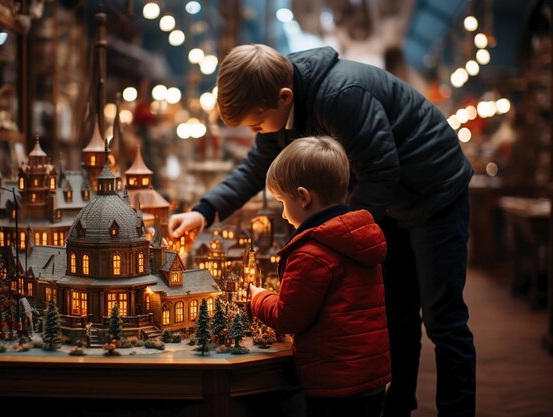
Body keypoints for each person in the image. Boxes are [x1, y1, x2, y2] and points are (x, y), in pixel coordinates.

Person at [168, 43, 476, 417]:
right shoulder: (279, 95)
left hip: (434, 192)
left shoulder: (339, 96)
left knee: (445, 319)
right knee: (397, 313)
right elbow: (256, 167)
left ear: (284, 97)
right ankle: (397, 409)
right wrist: (204, 211)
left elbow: (380, 173)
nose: (256, 133)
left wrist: (330, 237)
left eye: (255, 124)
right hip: (389, 199)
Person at [248, 135, 390, 417]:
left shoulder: (311, 253)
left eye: (282, 201)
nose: (283, 213)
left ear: (303, 197)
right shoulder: (357, 239)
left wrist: (258, 297)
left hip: (334, 383)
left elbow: (289, 318)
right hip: (370, 376)